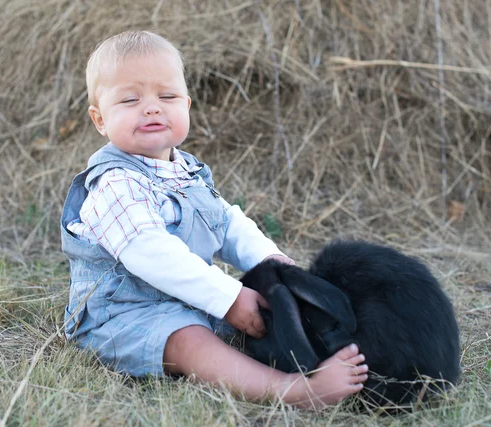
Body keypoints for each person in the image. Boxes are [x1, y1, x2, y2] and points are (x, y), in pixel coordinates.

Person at [61, 30, 368, 409]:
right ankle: (292, 391)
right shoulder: (113, 184)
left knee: (264, 308)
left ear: (186, 105)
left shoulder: (186, 171)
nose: (152, 108)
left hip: (188, 299)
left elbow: (228, 224)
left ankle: (311, 351)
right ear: (100, 120)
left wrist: (273, 264)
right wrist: (228, 297)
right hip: (122, 316)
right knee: (191, 340)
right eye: (129, 99)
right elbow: (152, 253)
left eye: (167, 96)